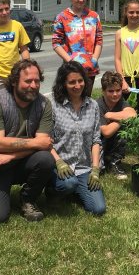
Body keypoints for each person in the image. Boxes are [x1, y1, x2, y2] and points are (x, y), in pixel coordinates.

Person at [0, 59, 55, 224]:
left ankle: (27, 199)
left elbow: (43, 143)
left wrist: (11, 156)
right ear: (15, 81)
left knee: (45, 159)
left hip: (18, 162)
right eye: (28, 81)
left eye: (37, 81)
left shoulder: (44, 104)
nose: (33, 85)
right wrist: (37, 143)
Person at [48, 61, 106, 216]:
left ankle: (75, 190)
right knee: (68, 183)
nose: (77, 85)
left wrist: (95, 169)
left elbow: (96, 140)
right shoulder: (53, 106)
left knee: (98, 209)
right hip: (60, 166)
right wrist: (58, 162)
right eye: (71, 82)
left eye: (80, 81)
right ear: (63, 84)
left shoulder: (92, 105)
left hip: (83, 167)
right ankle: (52, 191)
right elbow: (46, 140)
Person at [52, 0, 103, 96]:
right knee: (71, 101)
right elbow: (56, 43)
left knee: (86, 101)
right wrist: (70, 61)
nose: (81, 0)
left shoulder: (94, 16)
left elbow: (99, 40)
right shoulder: (62, 17)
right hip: (71, 70)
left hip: (90, 69)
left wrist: (94, 59)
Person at [114, 0, 139, 109]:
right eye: (131, 12)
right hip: (125, 79)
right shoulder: (119, 33)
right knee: (124, 110)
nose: (134, 15)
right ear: (126, 13)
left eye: (137, 12)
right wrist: (122, 80)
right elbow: (117, 59)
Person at [98, 71, 137, 179]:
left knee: (125, 131)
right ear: (103, 91)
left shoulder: (121, 102)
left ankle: (114, 162)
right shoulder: (98, 105)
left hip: (111, 141)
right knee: (99, 169)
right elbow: (106, 132)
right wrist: (122, 119)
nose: (115, 94)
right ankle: (104, 159)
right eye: (110, 91)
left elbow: (133, 114)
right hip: (97, 143)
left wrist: (110, 115)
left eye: (118, 90)